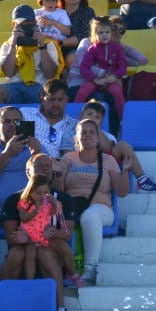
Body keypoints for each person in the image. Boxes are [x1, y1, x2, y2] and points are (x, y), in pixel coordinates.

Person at [0, 153, 80, 306]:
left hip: (50, 247)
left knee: (46, 253)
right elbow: (10, 236)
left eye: (48, 166)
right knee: (16, 254)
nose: (44, 168)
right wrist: (27, 239)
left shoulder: (63, 200)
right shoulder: (13, 200)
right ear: (28, 172)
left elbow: (67, 235)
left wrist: (52, 233)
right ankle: (3, 306)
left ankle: (58, 308)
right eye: (38, 165)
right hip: (23, 249)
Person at [56, 119, 127, 285]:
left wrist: (126, 170)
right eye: (83, 132)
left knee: (90, 216)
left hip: (101, 208)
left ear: (98, 137)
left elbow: (122, 192)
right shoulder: (68, 159)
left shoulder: (108, 160)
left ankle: (90, 268)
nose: (87, 135)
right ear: (76, 138)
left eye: (91, 132)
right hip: (71, 208)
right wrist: (58, 174)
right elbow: (59, 191)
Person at [79, 101, 156, 194]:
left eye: (97, 117)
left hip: (103, 167)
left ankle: (142, 181)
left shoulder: (107, 136)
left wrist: (95, 130)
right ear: (80, 116)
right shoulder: (70, 132)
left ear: (101, 123)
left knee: (123, 146)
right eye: (89, 114)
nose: (92, 118)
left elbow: (108, 150)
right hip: (79, 167)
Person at [16, 173, 81, 295]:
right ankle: (30, 282)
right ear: (30, 192)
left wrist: (54, 202)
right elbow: (23, 218)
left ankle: (73, 274)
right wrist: (35, 210)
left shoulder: (48, 205)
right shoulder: (24, 203)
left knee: (65, 248)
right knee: (30, 257)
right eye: (38, 193)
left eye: (45, 192)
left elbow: (57, 212)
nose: (41, 196)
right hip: (30, 237)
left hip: (44, 236)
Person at [0, 5, 64, 106]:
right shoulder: (7, 45)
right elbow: (8, 72)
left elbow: (50, 74)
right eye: (22, 24)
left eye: (29, 24)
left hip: (40, 85)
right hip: (15, 85)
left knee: (48, 93)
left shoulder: (47, 43)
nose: (26, 27)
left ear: (35, 24)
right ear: (14, 25)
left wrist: (41, 46)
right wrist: (13, 44)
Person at [0, 106, 42, 210]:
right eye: (6, 121)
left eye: (16, 121)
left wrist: (36, 154)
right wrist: (8, 153)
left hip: (30, 210)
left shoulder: (34, 146)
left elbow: (47, 179)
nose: (12, 125)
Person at [72, 17, 127, 118]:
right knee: (82, 91)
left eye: (107, 32)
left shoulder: (117, 48)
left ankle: (123, 120)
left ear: (111, 33)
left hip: (111, 80)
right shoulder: (92, 49)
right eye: (100, 33)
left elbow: (123, 66)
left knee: (118, 92)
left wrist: (115, 76)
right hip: (96, 80)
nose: (104, 35)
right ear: (94, 35)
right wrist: (95, 79)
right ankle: (74, 118)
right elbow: (84, 67)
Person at [20, 80, 77, 160]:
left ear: (67, 100)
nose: (55, 104)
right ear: (42, 98)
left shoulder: (73, 125)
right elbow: (21, 144)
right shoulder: (26, 114)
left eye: (60, 100)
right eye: (51, 99)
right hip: (27, 161)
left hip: (57, 166)